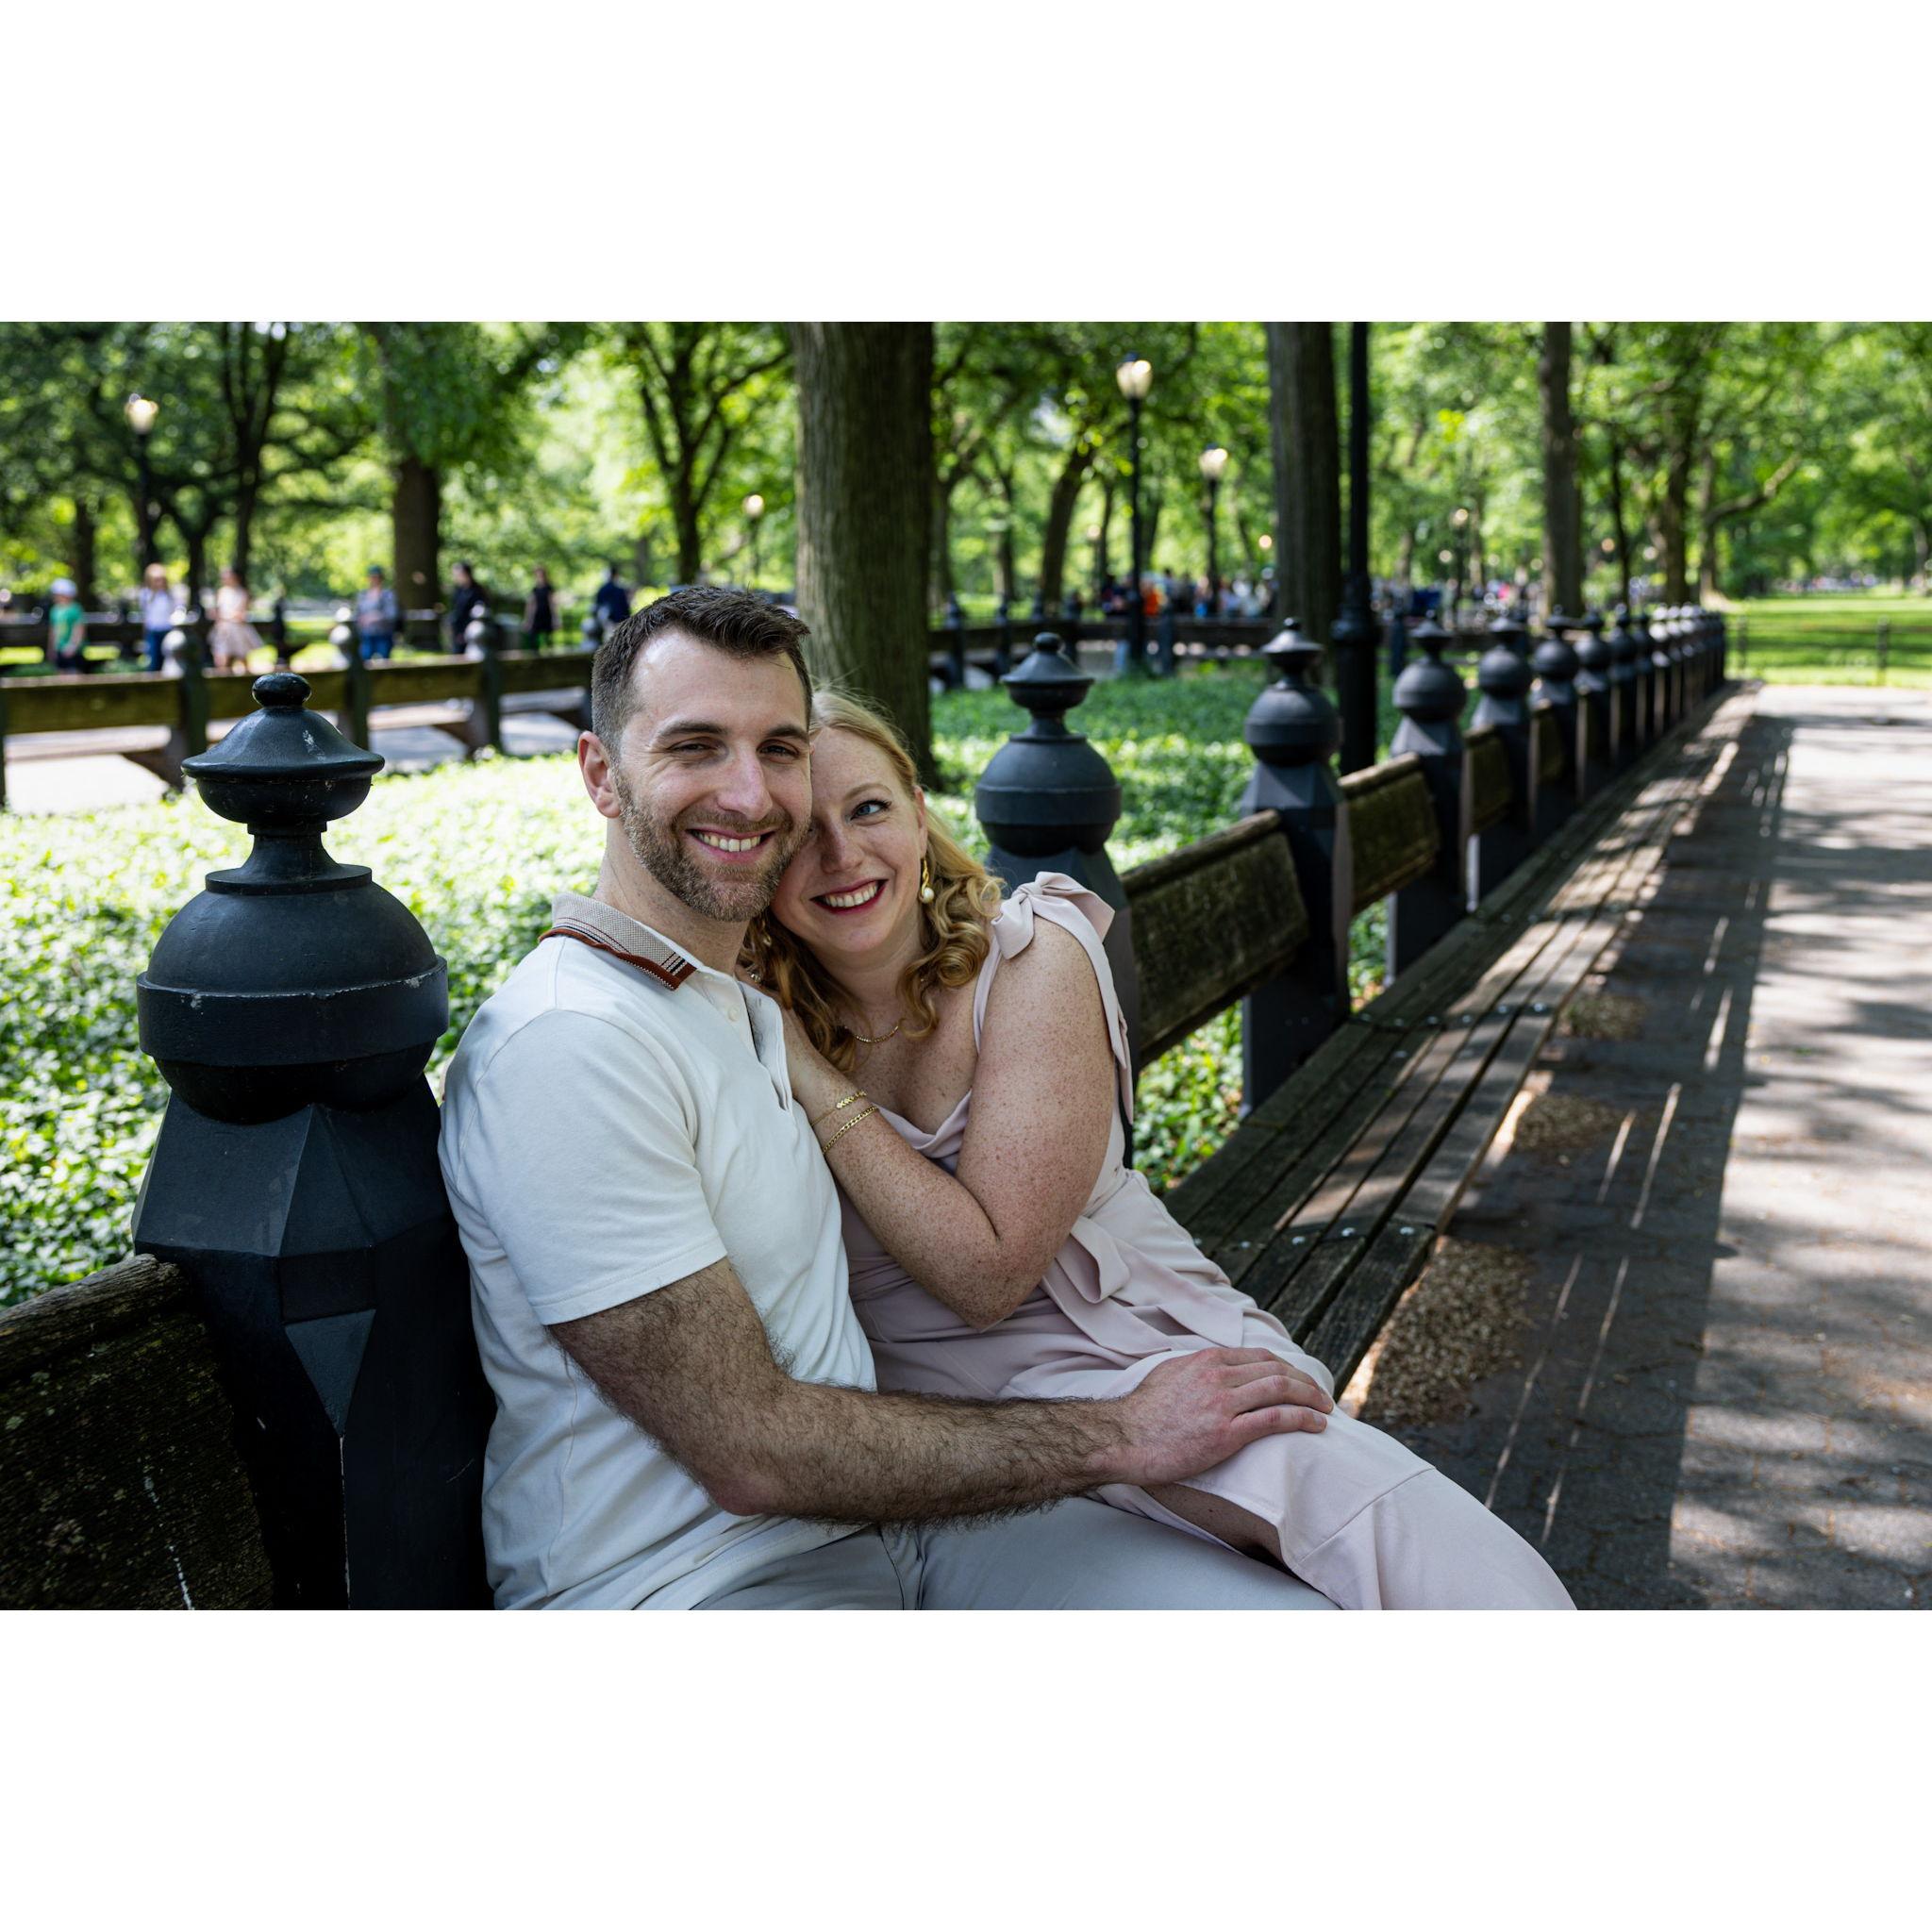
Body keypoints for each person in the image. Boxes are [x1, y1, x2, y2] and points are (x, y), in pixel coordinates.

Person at [438, 585, 1340, 1610]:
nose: (749, 793)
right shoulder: (574, 1042)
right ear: (601, 774)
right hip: (694, 1587)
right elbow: (753, 1451)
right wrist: (1120, 1431)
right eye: (695, 747)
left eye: (777, 748)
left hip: (897, 1540)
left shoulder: (740, 1001)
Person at [748, 689, 1576, 1610]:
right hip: (965, 1439)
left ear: (916, 808)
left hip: (1148, 1347)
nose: (841, 854)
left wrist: (811, 1077)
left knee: (1456, 1574)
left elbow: (988, 1273)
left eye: (868, 807)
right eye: (794, 832)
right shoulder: (725, 1025)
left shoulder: (1029, 952)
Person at [209, 566, 263, 672]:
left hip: (237, 630)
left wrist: (226, 616)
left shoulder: (242, 593)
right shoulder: (221, 592)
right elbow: (218, 611)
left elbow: (241, 614)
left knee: (242, 658)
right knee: (222, 660)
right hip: (224, 630)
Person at [139, 564, 178, 672]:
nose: (159, 582)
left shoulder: (169, 595)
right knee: (154, 660)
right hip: (153, 630)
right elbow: (145, 615)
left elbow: (175, 611)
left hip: (167, 629)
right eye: (156, 580)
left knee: (168, 659)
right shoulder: (145, 594)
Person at [356, 566, 399, 662]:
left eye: (377, 577)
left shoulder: (388, 595)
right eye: (372, 577)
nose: (374, 580)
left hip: (383, 634)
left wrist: (376, 616)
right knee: (365, 661)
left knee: (384, 662)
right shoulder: (362, 595)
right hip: (366, 634)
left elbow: (392, 614)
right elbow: (357, 614)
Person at [46, 577, 87, 671]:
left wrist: (73, 646)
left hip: (73, 651)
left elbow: (79, 629)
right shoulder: (55, 610)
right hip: (59, 649)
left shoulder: (75, 609)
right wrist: (51, 648)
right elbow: (53, 630)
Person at [448, 561, 488, 655]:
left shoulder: (477, 591)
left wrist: (465, 632)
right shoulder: (458, 590)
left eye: (458, 574)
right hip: (457, 631)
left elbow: (478, 613)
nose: (456, 577)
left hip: (471, 633)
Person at [523, 566, 556, 653]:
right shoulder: (534, 589)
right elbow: (531, 605)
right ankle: (535, 655)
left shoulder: (549, 587)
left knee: (548, 639)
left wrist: (555, 618)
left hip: (546, 614)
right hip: (537, 615)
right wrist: (528, 620)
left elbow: (552, 604)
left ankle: (550, 656)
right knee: (533, 637)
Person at [592, 562, 631, 628]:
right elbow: (625, 608)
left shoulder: (602, 589)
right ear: (616, 575)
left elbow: (597, 606)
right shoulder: (620, 590)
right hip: (620, 623)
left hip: (606, 624)